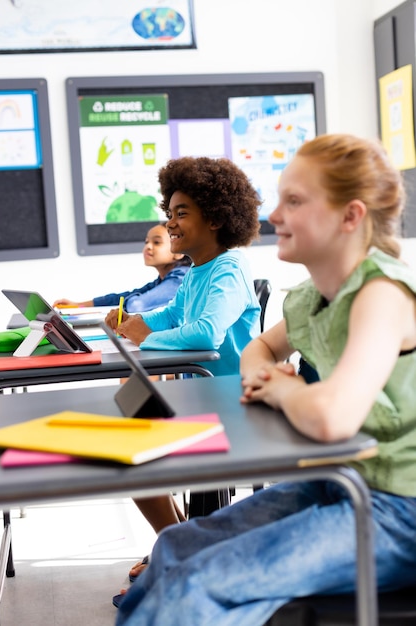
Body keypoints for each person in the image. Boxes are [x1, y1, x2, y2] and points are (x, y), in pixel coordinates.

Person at [115, 133, 416, 626]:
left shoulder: (381, 292)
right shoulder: (308, 297)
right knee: (175, 545)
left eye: (293, 201)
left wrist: (282, 388)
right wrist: (264, 375)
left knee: (197, 586)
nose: (273, 216)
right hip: (337, 484)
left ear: (351, 216)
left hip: (398, 512)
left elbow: (331, 418)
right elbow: (263, 347)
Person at [105, 155, 262, 587]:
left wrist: (143, 337)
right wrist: (131, 325)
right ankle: (180, 545)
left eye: (181, 213)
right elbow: (168, 316)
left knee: (134, 454)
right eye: (168, 213)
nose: (170, 223)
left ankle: (176, 550)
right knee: (128, 443)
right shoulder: (196, 272)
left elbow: (207, 333)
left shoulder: (229, 268)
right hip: (203, 398)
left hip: (231, 405)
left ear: (214, 218)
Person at [53, 223, 191, 313]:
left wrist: (125, 301)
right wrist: (78, 305)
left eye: (157, 242)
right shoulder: (162, 281)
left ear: (178, 253)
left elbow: (136, 305)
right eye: (146, 242)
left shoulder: (180, 279)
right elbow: (120, 298)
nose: (148, 246)